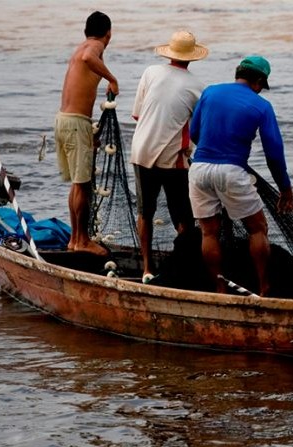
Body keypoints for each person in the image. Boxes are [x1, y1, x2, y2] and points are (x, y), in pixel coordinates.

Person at [188, 55, 293, 296]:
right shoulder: (262, 106)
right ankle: (264, 287)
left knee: (209, 232)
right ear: (258, 81)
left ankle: (219, 288)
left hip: (199, 167)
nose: (260, 91)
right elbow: (274, 154)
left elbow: (194, 132)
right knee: (258, 229)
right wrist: (285, 189)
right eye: (261, 86)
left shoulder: (210, 92)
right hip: (232, 171)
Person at [130, 30, 208, 283]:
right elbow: (197, 129)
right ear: (192, 57)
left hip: (141, 150)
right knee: (183, 216)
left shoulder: (150, 72)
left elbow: (139, 115)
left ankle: (146, 268)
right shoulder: (197, 86)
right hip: (172, 158)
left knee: (145, 212)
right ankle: (182, 266)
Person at [55, 11, 118, 256]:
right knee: (83, 184)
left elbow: (84, 59)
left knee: (78, 185)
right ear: (108, 34)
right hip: (74, 123)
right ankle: (82, 241)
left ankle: (75, 239)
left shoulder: (81, 46)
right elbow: (88, 57)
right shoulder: (94, 46)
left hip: (64, 120)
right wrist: (112, 79)